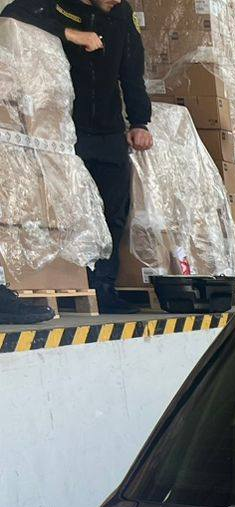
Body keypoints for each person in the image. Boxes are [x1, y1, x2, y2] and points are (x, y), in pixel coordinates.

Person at [2, 0, 151, 314]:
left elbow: (132, 70)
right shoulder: (56, 4)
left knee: (113, 211)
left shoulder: (121, 14)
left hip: (109, 127)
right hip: (67, 132)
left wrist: (140, 121)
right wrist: (72, 34)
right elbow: (13, 13)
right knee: (74, 210)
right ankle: (74, 283)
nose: (117, 0)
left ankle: (104, 288)